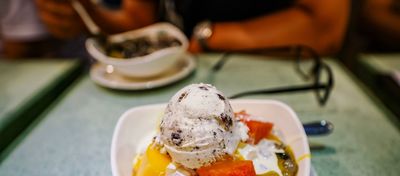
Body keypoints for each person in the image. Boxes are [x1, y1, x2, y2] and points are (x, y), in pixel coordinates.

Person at [35, 0, 350, 56]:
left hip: (279, 65)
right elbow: (139, 22)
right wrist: (86, 14)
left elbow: (324, 27)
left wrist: (209, 38)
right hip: (177, 69)